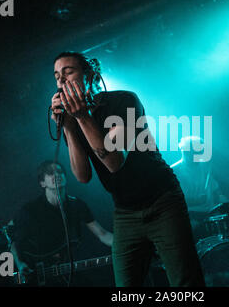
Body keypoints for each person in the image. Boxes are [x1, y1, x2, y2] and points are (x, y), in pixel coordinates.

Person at [50, 51, 205, 287]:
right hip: (125, 212)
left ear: (88, 75)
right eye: (56, 75)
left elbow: (115, 162)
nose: (61, 80)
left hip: (162, 202)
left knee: (186, 283)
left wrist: (82, 117)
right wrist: (70, 127)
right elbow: (82, 176)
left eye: (68, 72)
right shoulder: (76, 120)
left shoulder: (123, 101)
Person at [10, 161, 113, 286]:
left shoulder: (77, 205)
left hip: (65, 272)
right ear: (42, 183)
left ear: (65, 178)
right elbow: (13, 241)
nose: (57, 175)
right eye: (50, 173)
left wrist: (125, 245)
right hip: (36, 273)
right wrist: (20, 264)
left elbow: (102, 234)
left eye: (60, 172)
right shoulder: (29, 210)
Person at [171, 136, 228, 240]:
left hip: (211, 214)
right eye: (196, 152)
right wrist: (194, 201)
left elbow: (216, 189)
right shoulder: (173, 171)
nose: (199, 155)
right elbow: (171, 201)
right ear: (186, 152)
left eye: (200, 151)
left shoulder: (205, 167)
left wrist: (222, 199)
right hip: (190, 217)